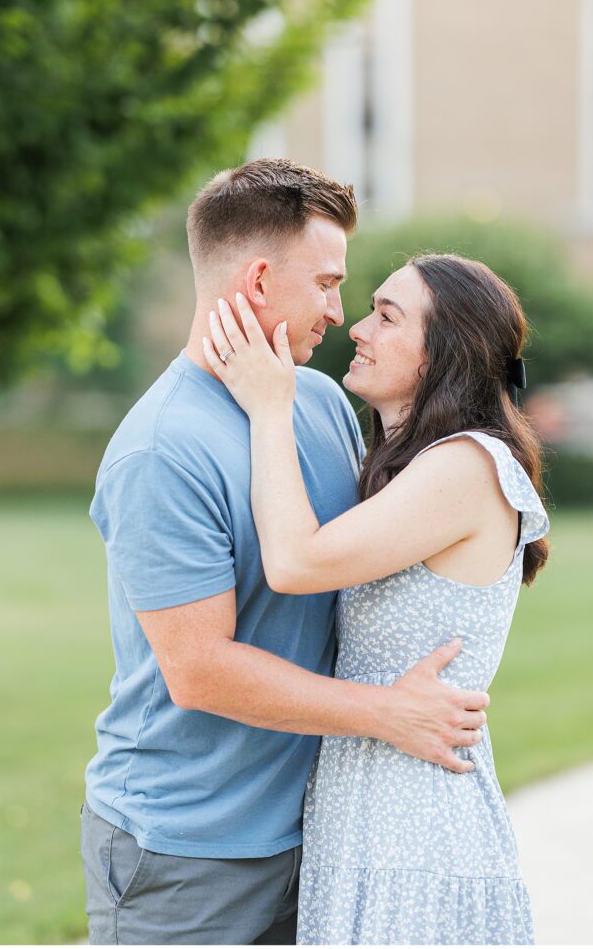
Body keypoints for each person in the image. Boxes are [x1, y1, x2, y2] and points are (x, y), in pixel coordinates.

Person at [80, 160, 490, 946]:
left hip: (319, 831)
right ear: (260, 279)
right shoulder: (163, 450)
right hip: (189, 851)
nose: (339, 313)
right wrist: (388, 715)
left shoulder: (317, 400)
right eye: (328, 284)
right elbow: (199, 670)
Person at [204, 252, 550, 945]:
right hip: (364, 817)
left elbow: (295, 562)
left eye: (386, 317)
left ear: (444, 354)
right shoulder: (414, 467)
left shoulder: (466, 466)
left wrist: (270, 407)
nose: (356, 327)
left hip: (414, 835)